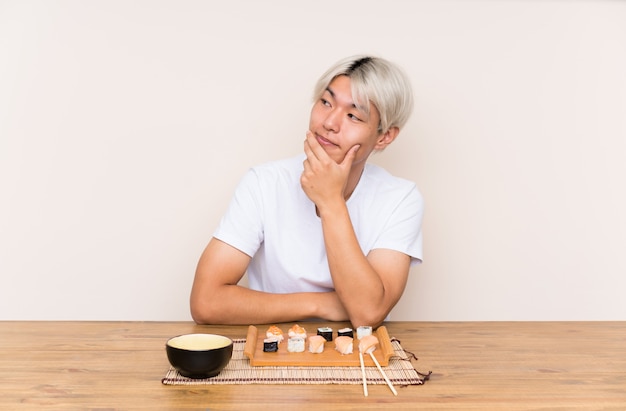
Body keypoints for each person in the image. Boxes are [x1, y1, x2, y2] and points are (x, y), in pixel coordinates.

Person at [190, 55, 423, 328]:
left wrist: (330, 202)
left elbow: (366, 313)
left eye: (353, 115)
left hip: (359, 358)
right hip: (274, 349)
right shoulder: (264, 182)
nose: (329, 122)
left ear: (384, 137)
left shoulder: (400, 198)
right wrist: (319, 304)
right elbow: (205, 302)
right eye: (326, 102)